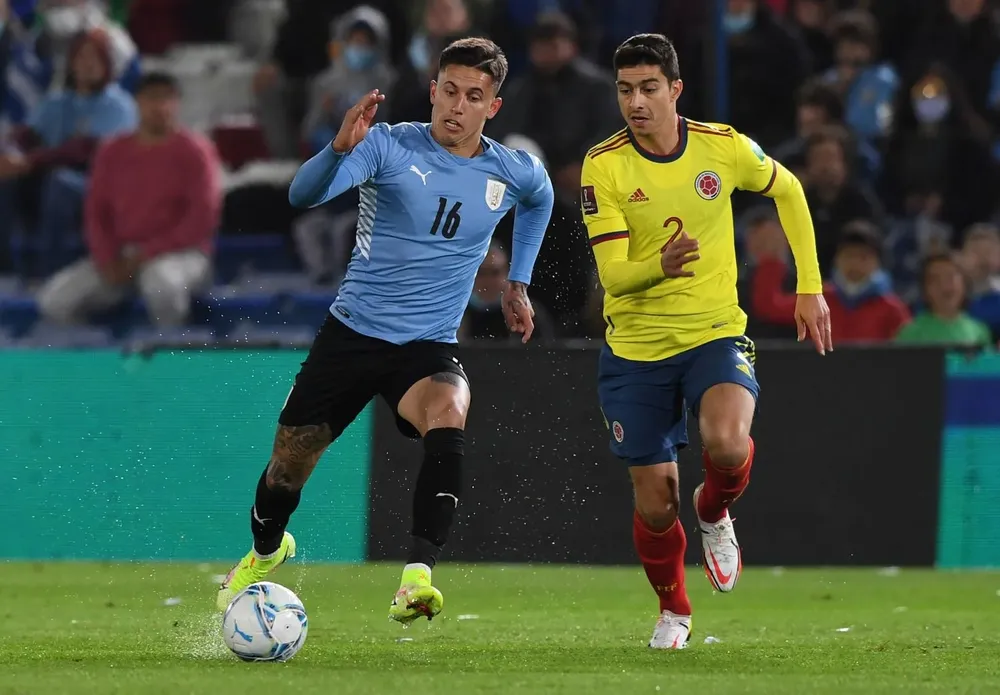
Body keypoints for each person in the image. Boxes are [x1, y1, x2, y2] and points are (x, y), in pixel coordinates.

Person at [216, 37, 554, 625]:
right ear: (433, 89)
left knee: (450, 412)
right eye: (449, 90)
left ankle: (416, 579)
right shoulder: (391, 145)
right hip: (352, 335)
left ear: (492, 108)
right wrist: (337, 148)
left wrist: (517, 283)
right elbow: (302, 194)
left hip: (426, 346)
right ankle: (266, 550)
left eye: (473, 96)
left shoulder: (511, 168)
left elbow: (541, 196)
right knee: (287, 469)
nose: (456, 106)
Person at [580, 34, 831, 649]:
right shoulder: (603, 164)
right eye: (624, 90)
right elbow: (613, 277)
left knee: (725, 443)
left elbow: (789, 190)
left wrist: (809, 286)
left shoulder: (721, 147)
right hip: (636, 350)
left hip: (714, 332)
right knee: (658, 504)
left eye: (648, 88)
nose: (635, 102)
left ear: (675, 89)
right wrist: (658, 266)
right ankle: (674, 610)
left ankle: (715, 508)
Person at [895, 252, 992, 347]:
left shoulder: (979, 331)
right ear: (925, 289)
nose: (944, 286)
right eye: (935, 280)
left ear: (964, 283)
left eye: (950, 277)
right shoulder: (910, 333)